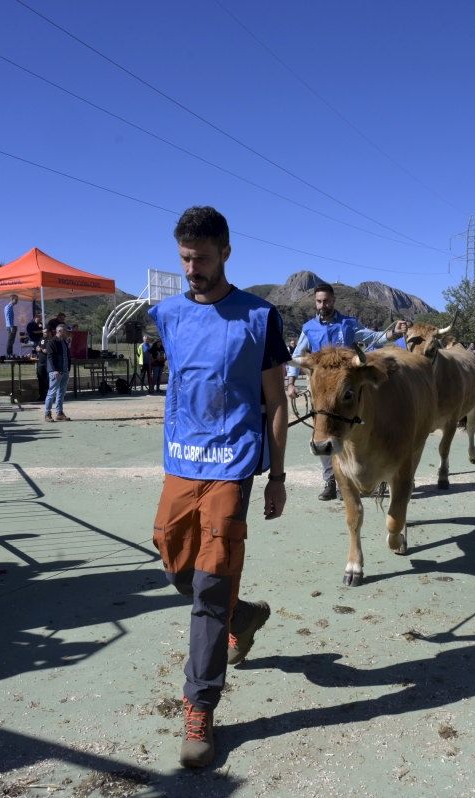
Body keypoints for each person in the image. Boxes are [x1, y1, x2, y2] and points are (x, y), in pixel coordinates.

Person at [148, 206, 288, 768]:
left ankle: (200, 708)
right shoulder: (166, 314)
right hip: (181, 465)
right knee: (176, 568)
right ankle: (243, 615)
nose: (191, 268)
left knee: (207, 586)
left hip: (233, 466)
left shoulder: (260, 317)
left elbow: (276, 402)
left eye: (201, 258)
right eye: (184, 258)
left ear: (226, 252)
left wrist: (277, 475)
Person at [285, 283, 407, 500]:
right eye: (319, 301)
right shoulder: (309, 328)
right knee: (322, 431)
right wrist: (291, 382)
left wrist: (392, 333)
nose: (323, 305)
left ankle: (359, 479)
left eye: (327, 301)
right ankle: (330, 481)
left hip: (348, 388)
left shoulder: (348, 324)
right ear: (315, 302)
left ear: (334, 300)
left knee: (361, 430)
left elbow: (373, 338)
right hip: (323, 390)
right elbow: (297, 355)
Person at [43, 322, 70, 422]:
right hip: (56, 372)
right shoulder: (51, 342)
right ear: (59, 331)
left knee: (61, 393)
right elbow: (50, 357)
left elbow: (66, 356)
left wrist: (67, 369)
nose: (67, 332)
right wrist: (55, 370)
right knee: (52, 392)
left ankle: (59, 413)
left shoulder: (64, 342)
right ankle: (47, 414)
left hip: (64, 371)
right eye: (65, 331)